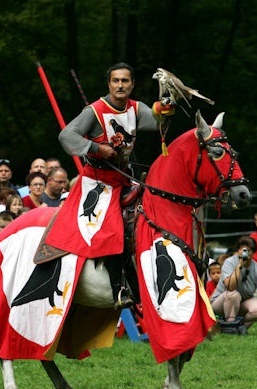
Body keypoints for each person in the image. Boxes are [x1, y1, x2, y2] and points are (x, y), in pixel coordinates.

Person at [46, 62, 174, 309]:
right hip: (97, 181)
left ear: (132, 84)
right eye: (116, 81)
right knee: (112, 226)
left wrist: (167, 108)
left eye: (125, 81)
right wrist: (96, 148)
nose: (120, 85)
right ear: (109, 84)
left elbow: (157, 118)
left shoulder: (136, 109)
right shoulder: (94, 111)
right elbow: (66, 136)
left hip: (124, 178)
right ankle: (118, 290)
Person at [210, 236, 257, 335]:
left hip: (242, 302)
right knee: (234, 295)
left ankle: (239, 328)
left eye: (247, 250)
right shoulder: (229, 262)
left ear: (253, 252)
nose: (243, 252)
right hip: (220, 303)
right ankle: (230, 327)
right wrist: (239, 266)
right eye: (241, 250)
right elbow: (230, 287)